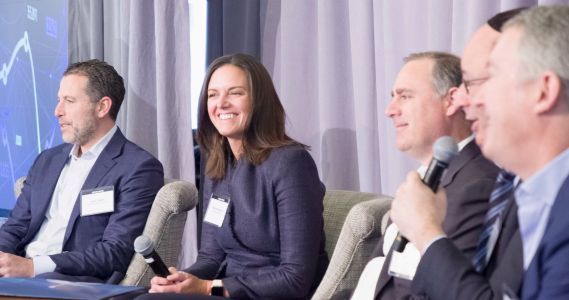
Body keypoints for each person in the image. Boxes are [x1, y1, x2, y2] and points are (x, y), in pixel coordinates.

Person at [391, 5, 569, 299]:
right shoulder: (530, 193)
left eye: (485, 79)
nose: (461, 99)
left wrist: (427, 232)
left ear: (543, 90)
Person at [141, 53, 328, 299]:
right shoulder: (218, 164)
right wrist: (183, 279)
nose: (222, 103)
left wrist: (208, 288)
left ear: (259, 101)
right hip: (223, 290)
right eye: (213, 95)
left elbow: (295, 278)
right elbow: (211, 257)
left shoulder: (292, 163)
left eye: (236, 93)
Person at [350, 51, 499, 299]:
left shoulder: (477, 185)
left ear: (451, 101)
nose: (390, 110)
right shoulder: (420, 180)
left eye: (405, 96)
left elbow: (450, 287)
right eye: (392, 97)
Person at [0, 59, 164, 283]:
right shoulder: (47, 160)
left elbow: (115, 252)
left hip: (70, 281)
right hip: (18, 274)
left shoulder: (139, 167)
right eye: (59, 100)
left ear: (102, 107)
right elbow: (15, 227)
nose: (58, 111)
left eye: (69, 101)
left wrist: (33, 267)